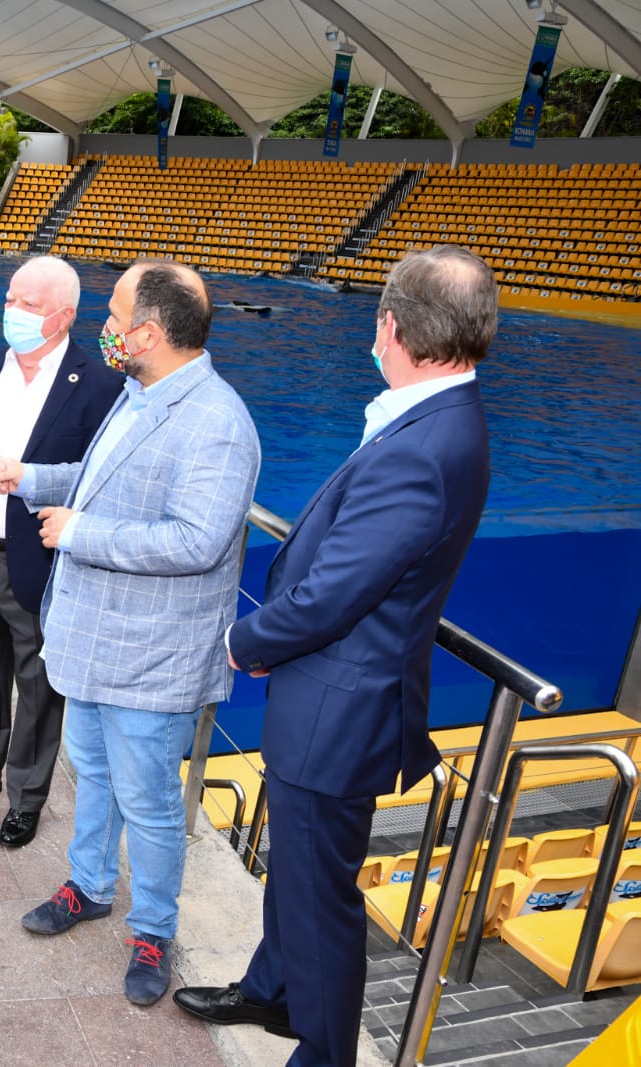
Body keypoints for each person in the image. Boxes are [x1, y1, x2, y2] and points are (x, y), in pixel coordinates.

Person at [174, 246, 496, 1067]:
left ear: (391, 325)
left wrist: (243, 639)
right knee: (299, 870)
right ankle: (274, 987)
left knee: (321, 898)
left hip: (339, 708)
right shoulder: (437, 416)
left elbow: (334, 595)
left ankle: (323, 1052)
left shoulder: (426, 444)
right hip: (335, 695)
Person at [0, 259, 260, 1006]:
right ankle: (90, 884)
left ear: (148, 332)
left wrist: (80, 532)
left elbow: (195, 541)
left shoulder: (218, 422)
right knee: (94, 776)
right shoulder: (140, 392)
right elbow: (100, 477)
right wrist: (33, 478)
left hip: (153, 658)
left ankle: (153, 929)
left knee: (151, 802)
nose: (102, 331)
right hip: (94, 641)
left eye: (111, 320)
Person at [0, 256, 120, 848]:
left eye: (29, 305)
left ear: (63, 316)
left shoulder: (101, 386)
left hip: (40, 560)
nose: (13, 311)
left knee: (39, 682)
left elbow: (97, 479)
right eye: (11, 299)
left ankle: (26, 796)